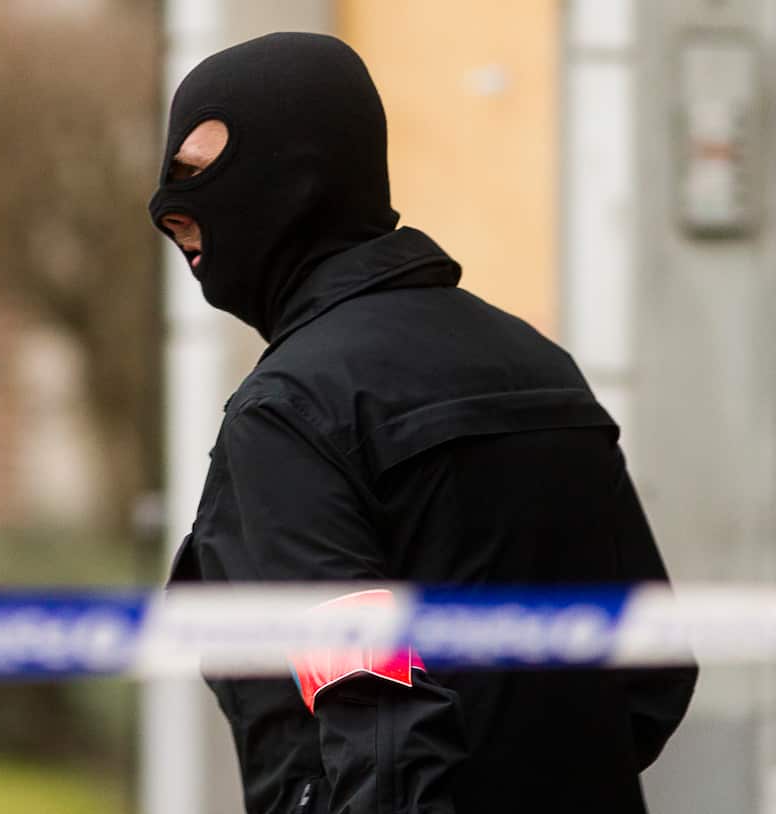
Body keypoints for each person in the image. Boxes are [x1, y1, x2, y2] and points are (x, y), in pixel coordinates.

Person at [148, 33, 696, 814]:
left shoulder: (291, 409)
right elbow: (651, 675)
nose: (174, 215)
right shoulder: (543, 368)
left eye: (200, 174)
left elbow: (378, 722)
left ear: (300, 172)